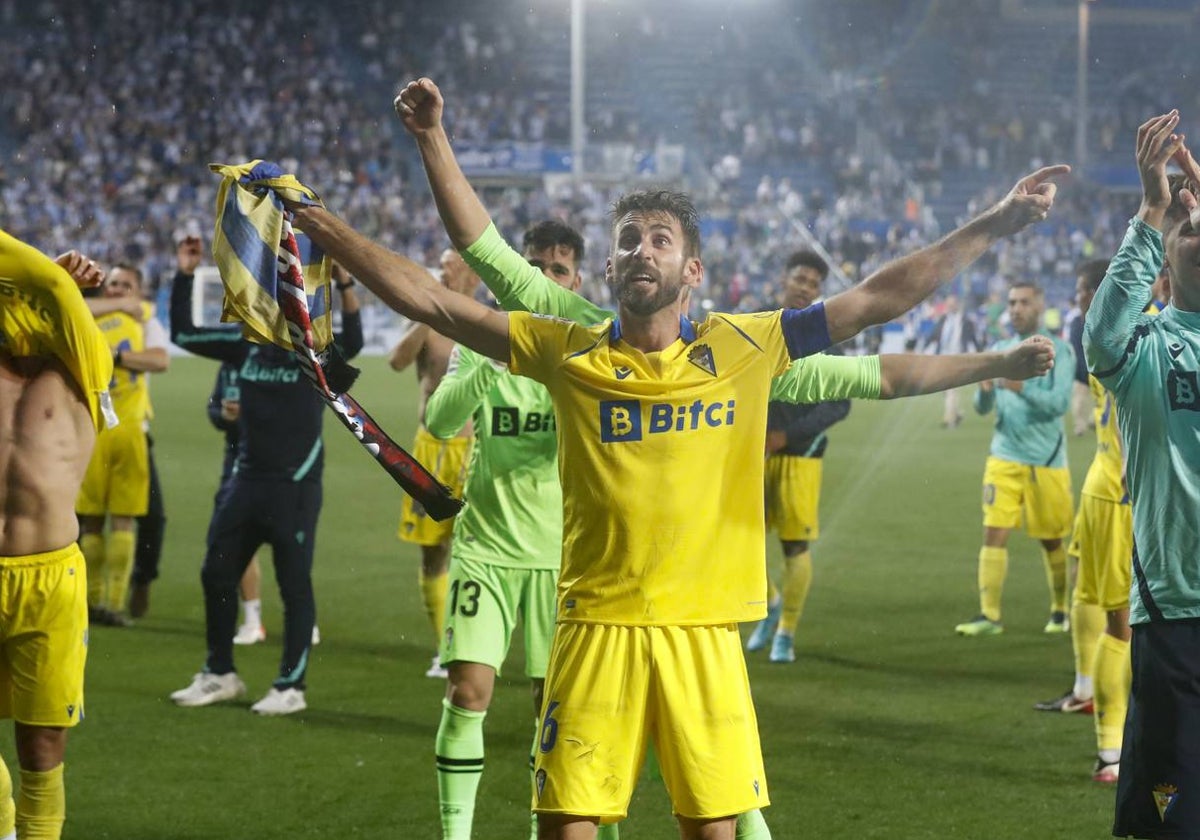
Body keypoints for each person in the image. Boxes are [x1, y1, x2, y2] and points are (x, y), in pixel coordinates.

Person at [276, 75, 1066, 839]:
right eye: (628, 241)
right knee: (564, 823)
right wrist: (330, 216)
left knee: (712, 827)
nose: (641, 250)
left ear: (692, 271)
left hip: (704, 633)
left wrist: (993, 224)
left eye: (660, 239)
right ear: (611, 270)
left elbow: (880, 301)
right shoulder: (566, 348)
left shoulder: (749, 343)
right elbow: (435, 296)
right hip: (593, 623)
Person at [167, 257, 362, 715]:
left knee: (294, 585)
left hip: (294, 487)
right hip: (246, 481)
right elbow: (183, 334)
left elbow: (353, 340)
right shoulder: (243, 345)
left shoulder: (313, 351)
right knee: (215, 572)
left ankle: (290, 686)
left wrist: (346, 283)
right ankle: (220, 673)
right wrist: (183, 273)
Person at [1086, 111, 1200, 836]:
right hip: (1176, 615)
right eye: (1186, 229)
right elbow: (1099, 337)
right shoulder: (1147, 347)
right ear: (1164, 262)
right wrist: (1155, 210)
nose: (1197, 223)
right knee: (1169, 818)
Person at [0, 232, 113, 840]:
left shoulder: (84, 368)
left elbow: (47, 288)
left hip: (49, 577)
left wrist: (57, 278)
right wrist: (51, 271)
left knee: (43, 747)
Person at [1032, 259, 1132, 787]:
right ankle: (1111, 754)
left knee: (1088, 593)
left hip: (1100, 482)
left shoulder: (1098, 336)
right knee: (1125, 624)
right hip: (1122, 491)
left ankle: (1084, 688)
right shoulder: (1140, 334)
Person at [953, 280, 1075, 638]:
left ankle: (1059, 611)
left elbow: (1059, 405)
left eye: (1023, 302)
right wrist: (985, 389)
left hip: (1046, 460)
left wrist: (1019, 387)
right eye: (1011, 302)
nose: (1015, 309)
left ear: (1039, 305)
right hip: (1003, 455)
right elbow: (981, 408)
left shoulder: (1061, 351)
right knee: (993, 533)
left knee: (1051, 539)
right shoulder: (1000, 350)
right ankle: (989, 615)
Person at [746, 250, 851, 665]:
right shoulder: (757, 327)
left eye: (813, 283)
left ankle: (786, 632)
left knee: (794, 547)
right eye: (800, 279)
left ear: (819, 292)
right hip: (752, 456)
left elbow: (839, 405)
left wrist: (787, 434)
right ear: (784, 280)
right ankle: (770, 603)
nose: (805, 287)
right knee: (740, 541)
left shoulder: (824, 340)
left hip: (799, 458)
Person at [389, 249, 479, 679]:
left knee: (474, 553)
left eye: (452, 266)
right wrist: (432, 314)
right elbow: (396, 361)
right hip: (429, 450)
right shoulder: (429, 320)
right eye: (441, 267)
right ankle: (445, 647)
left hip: (473, 452)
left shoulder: (482, 318)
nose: (444, 273)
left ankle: (470, 643)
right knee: (432, 554)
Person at [76, 263, 169, 627]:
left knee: (133, 519)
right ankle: (96, 601)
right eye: (112, 284)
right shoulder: (126, 314)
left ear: (138, 289)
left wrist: (114, 358)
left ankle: (116, 599)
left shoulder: (143, 319)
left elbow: (160, 360)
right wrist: (125, 307)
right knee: (94, 520)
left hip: (130, 429)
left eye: (124, 285)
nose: (116, 289)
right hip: (93, 431)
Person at [930, 294, 981, 428]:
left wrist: (980, 354)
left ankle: (949, 419)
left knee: (951, 389)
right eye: (949, 304)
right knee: (944, 388)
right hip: (942, 357)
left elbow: (973, 339)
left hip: (957, 358)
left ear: (957, 305)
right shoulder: (943, 320)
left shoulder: (965, 321)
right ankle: (957, 413)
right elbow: (935, 336)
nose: (951, 306)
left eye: (953, 304)